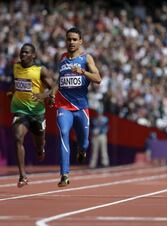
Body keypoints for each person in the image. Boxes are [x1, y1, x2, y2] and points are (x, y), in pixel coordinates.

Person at [52, 27, 101, 187]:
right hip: (64, 106)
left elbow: (98, 78)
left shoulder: (86, 58)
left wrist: (82, 72)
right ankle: (64, 174)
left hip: (81, 108)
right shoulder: (62, 58)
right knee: (64, 132)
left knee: (84, 142)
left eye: (74, 39)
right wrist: (52, 94)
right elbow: (59, 81)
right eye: (69, 39)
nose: (71, 42)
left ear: (80, 41)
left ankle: (82, 149)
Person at [7, 43, 55, 187]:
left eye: (26, 53)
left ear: (33, 55)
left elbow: (53, 87)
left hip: (37, 113)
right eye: (21, 52)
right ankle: (23, 176)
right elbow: (16, 83)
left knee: (39, 145)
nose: (23, 55)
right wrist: (11, 93)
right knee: (17, 138)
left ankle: (41, 149)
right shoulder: (16, 67)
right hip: (20, 110)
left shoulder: (40, 71)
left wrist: (44, 95)